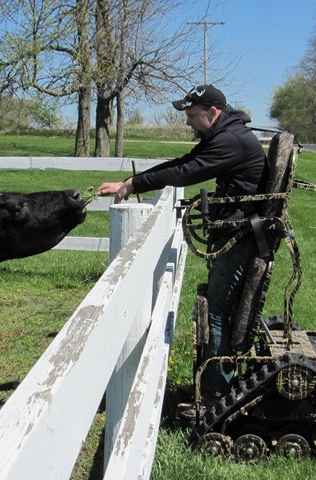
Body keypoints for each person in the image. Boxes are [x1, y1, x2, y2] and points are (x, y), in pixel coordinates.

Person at [98, 84, 267, 403]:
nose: (187, 122)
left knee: (217, 312)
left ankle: (216, 398)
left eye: (191, 115)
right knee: (218, 310)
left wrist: (134, 182)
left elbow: (187, 172)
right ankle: (217, 387)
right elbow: (184, 161)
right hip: (238, 230)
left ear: (212, 113)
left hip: (241, 236)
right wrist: (130, 183)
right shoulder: (223, 134)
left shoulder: (228, 140)